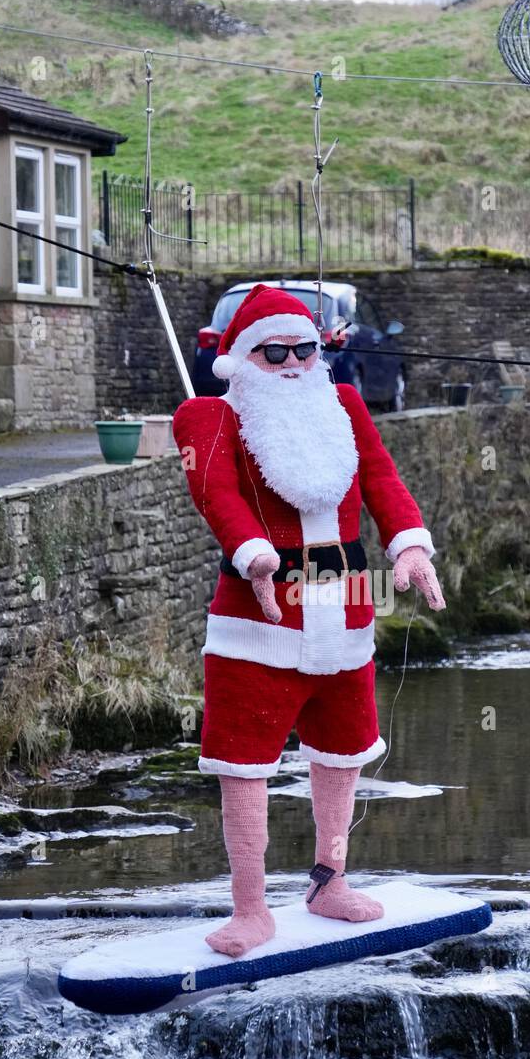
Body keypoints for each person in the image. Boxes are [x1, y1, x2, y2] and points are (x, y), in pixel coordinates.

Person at [172, 284, 445, 958]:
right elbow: (216, 495)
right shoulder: (210, 418)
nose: (294, 362)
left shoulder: (343, 403)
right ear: (241, 358)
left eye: (305, 349)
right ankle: (250, 907)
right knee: (244, 765)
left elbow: (382, 480)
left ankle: (329, 881)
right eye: (275, 352)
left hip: (345, 617)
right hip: (255, 621)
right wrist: (255, 556)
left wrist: (408, 544)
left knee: (343, 753)